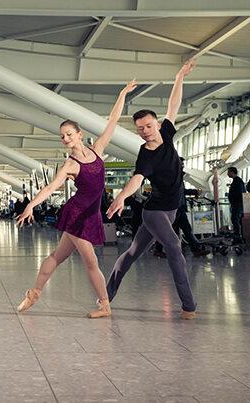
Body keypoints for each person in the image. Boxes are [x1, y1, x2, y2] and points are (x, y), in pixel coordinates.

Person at [16, 79, 138, 319]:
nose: (66, 139)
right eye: (62, 136)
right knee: (91, 261)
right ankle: (105, 305)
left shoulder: (96, 150)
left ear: (79, 134)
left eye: (69, 134)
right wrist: (31, 204)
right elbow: (51, 187)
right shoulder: (70, 164)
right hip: (77, 213)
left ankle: (34, 293)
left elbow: (112, 123)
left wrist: (122, 93)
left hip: (90, 214)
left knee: (56, 257)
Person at [106, 59, 198, 320]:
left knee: (132, 253)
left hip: (171, 209)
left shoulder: (167, 133)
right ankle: (189, 306)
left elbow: (173, 105)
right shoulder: (145, 155)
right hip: (155, 212)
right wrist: (122, 197)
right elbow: (137, 179)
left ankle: (106, 293)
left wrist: (179, 76)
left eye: (148, 126)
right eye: (140, 129)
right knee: (174, 248)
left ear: (157, 124)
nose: (145, 132)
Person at [227, 166, 245, 237]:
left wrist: (235, 201)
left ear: (232, 172)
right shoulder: (236, 180)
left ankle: (238, 234)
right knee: (236, 219)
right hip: (236, 204)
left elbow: (239, 192)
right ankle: (239, 234)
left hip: (237, 204)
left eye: (228, 172)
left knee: (235, 218)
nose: (227, 173)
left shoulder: (238, 181)